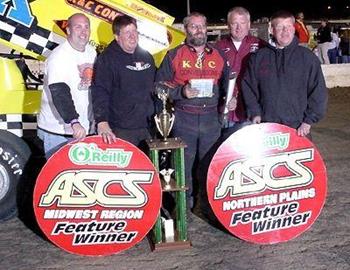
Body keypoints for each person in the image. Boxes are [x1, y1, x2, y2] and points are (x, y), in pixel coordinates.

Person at [156, 12, 231, 208]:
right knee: (183, 167)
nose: (198, 30)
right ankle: (184, 208)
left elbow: (228, 86)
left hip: (210, 120)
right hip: (184, 119)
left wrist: (232, 99)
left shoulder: (218, 55)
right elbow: (158, 86)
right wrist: (182, 91)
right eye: (193, 26)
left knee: (210, 166)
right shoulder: (174, 54)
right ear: (186, 29)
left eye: (202, 26)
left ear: (206, 28)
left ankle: (208, 207)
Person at [242, 10, 327, 138]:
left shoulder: (308, 58)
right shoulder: (258, 58)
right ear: (272, 30)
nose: (285, 31)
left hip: (298, 129)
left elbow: (318, 91)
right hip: (267, 128)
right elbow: (248, 87)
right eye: (280, 27)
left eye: (288, 27)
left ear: (293, 29)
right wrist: (254, 112)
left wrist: (308, 121)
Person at [91, 15, 156, 147]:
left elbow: (156, 88)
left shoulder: (147, 57)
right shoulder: (107, 59)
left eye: (134, 31)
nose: (133, 36)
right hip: (121, 129)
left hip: (147, 127)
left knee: (148, 167)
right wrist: (102, 122)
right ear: (117, 36)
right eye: (127, 32)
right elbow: (100, 91)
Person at [37, 13, 96, 158]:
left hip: (85, 129)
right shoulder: (58, 57)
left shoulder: (91, 52)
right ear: (68, 30)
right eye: (78, 27)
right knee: (60, 176)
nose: (83, 32)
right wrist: (73, 121)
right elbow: (59, 92)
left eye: (86, 27)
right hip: (60, 132)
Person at [216, 6, 265, 138]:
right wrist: (224, 97)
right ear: (228, 25)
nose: (239, 27)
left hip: (251, 113)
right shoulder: (217, 47)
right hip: (226, 112)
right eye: (234, 23)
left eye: (242, 23)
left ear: (249, 24)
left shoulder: (261, 46)